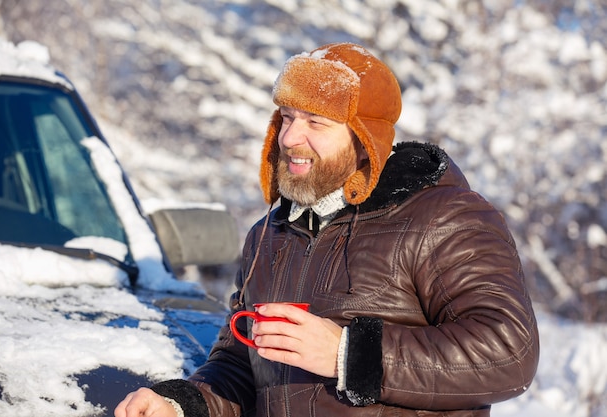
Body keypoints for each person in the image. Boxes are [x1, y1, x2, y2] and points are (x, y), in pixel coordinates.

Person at [115, 42, 539, 417]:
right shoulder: (270, 235)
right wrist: (180, 404)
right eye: (286, 117)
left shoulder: (443, 216)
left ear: (365, 138)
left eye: (316, 122)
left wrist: (346, 354)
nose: (290, 137)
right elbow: (243, 364)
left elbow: (508, 351)